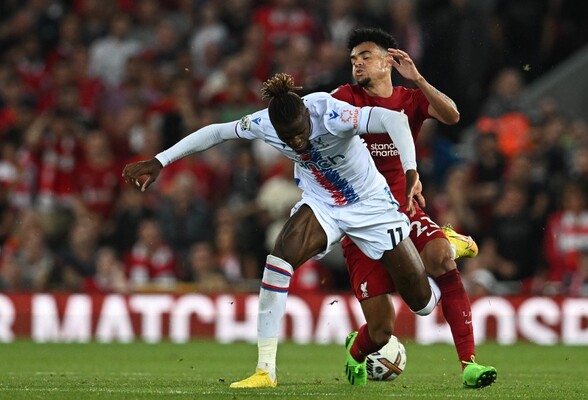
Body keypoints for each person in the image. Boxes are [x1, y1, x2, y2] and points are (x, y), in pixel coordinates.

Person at [123, 73, 441, 387]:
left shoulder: (331, 112)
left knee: (422, 304)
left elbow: (395, 121)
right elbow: (217, 133)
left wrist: (411, 170)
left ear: (306, 115)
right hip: (323, 205)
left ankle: (443, 245)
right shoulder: (265, 123)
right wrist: (160, 161)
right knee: (279, 259)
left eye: (300, 133)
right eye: (288, 139)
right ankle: (265, 371)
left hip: (372, 206)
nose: (296, 142)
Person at [330, 28, 496, 388]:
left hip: (401, 209)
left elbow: (452, 115)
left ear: (389, 60)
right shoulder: (344, 98)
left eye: (366, 56)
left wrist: (418, 77)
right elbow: (316, 117)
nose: (357, 63)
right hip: (359, 221)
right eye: (354, 59)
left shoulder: (409, 98)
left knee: (441, 260)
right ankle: (355, 350)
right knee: (380, 331)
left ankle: (469, 364)